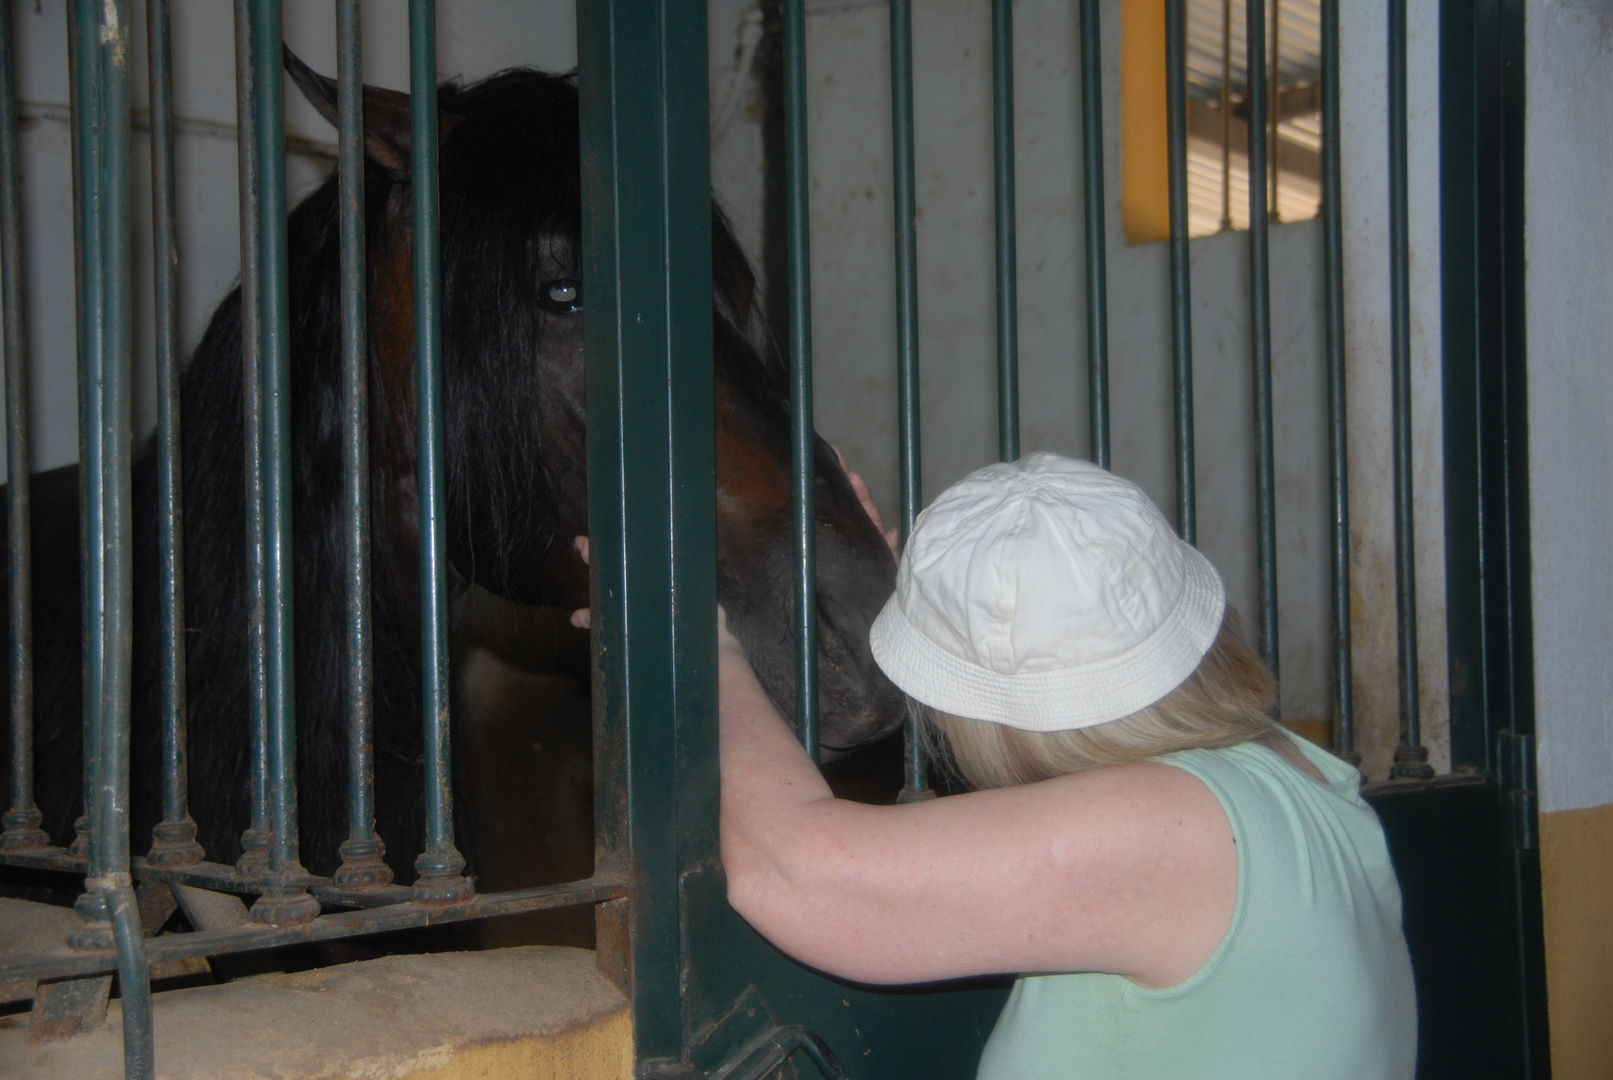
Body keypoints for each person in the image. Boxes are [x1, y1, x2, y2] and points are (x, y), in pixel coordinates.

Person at [713, 452, 1417, 1079]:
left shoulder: (1176, 830)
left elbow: (789, 872)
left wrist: (707, 646)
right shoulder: (1297, 774)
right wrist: (903, 599)